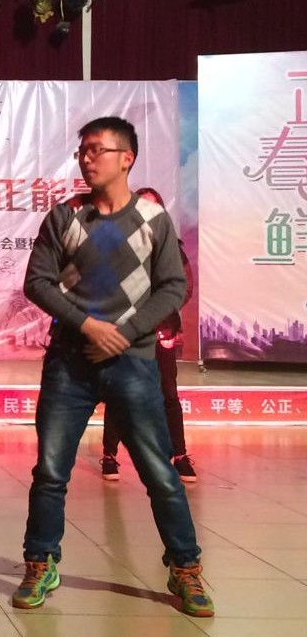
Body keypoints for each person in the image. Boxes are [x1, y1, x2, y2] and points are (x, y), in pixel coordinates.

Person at [14, 116, 213, 617]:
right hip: (69, 364)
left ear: (127, 158)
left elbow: (174, 287)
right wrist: (88, 326)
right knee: (50, 472)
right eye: (82, 151)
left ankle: (185, 567)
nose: (87, 159)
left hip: (134, 365)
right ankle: (40, 562)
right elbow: (37, 282)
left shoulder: (153, 219)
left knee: (159, 473)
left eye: (97, 150)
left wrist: (123, 334)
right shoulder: (64, 216)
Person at [100, 186, 197, 484]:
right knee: (120, 391)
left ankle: (179, 455)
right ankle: (109, 454)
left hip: (161, 330)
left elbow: (183, 288)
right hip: (127, 332)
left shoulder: (172, 248)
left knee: (168, 393)